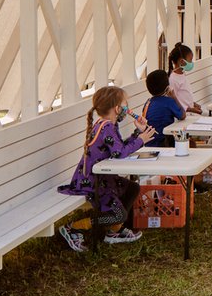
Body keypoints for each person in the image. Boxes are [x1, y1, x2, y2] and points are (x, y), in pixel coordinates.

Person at [57, 84, 156, 252]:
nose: (128, 109)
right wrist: (141, 140)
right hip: (95, 183)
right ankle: (74, 227)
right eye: (125, 105)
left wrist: (137, 133)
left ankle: (114, 230)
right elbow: (119, 153)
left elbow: (119, 148)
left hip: (103, 179)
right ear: (117, 108)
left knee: (132, 188)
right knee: (119, 214)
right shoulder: (107, 127)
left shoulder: (105, 124)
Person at [143, 68, 187, 141]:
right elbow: (183, 115)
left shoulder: (148, 102)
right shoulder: (168, 102)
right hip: (163, 141)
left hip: (148, 141)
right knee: (190, 142)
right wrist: (174, 97)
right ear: (167, 87)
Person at [167, 42, 203, 114]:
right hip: (183, 115)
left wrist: (193, 104)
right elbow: (173, 101)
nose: (191, 63)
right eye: (190, 60)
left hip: (189, 113)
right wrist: (190, 109)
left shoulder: (182, 75)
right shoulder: (173, 79)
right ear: (182, 61)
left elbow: (184, 96)